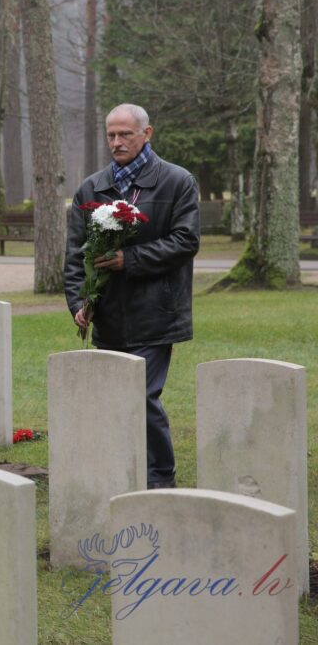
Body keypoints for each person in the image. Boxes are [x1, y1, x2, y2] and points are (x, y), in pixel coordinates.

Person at [64, 103, 200, 490]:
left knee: (141, 395)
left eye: (125, 134)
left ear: (147, 134)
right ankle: (123, 471)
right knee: (115, 398)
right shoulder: (91, 187)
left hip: (157, 310)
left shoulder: (177, 181)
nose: (117, 142)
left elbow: (186, 240)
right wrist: (78, 301)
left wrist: (131, 259)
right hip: (108, 314)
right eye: (111, 134)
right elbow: (76, 252)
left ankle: (159, 479)